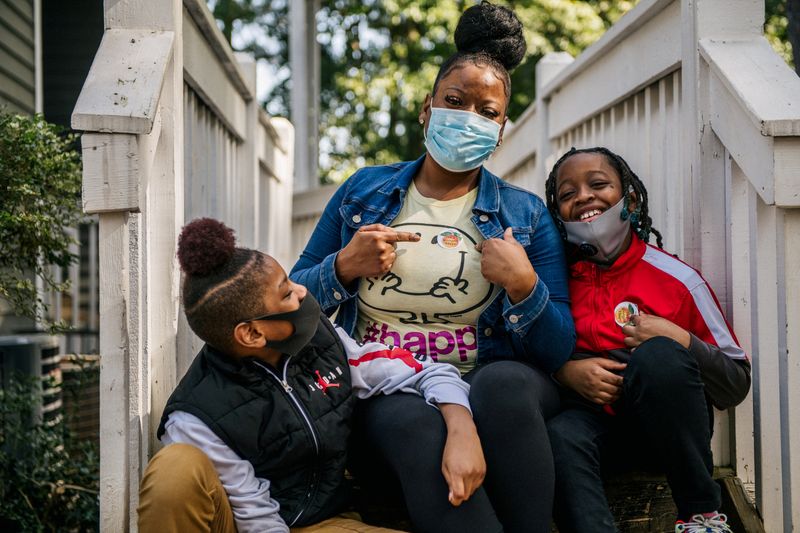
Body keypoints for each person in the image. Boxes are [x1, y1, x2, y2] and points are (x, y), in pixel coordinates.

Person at [290, 3, 574, 532]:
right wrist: (343, 266)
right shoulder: (363, 192)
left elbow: (559, 348)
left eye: (486, 111)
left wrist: (524, 285)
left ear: (502, 129)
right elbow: (291, 296)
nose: (468, 118)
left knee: (506, 386)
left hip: (489, 382)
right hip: (386, 383)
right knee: (413, 423)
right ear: (427, 109)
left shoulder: (526, 213)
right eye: (455, 101)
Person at [137, 218, 484, 533]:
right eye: (287, 293)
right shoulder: (199, 414)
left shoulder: (324, 342)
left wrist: (461, 428)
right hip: (247, 525)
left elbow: (426, 371)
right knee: (175, 468)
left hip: (322, 521)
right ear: (252, 334)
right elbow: (257, 519)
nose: (303, 291)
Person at [543, 147, 751, 533]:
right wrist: (565, 372)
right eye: (567, 194)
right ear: (558, 214)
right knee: (559, 435)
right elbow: (529, 352)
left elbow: (735, 382)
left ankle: (702, 518)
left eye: (598, 184)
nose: (583, 197)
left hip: (667, 437)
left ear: (631, 198)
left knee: (658, 355)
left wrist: (679, 337)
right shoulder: (556, 283)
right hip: (598, 437)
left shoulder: (678, 279)